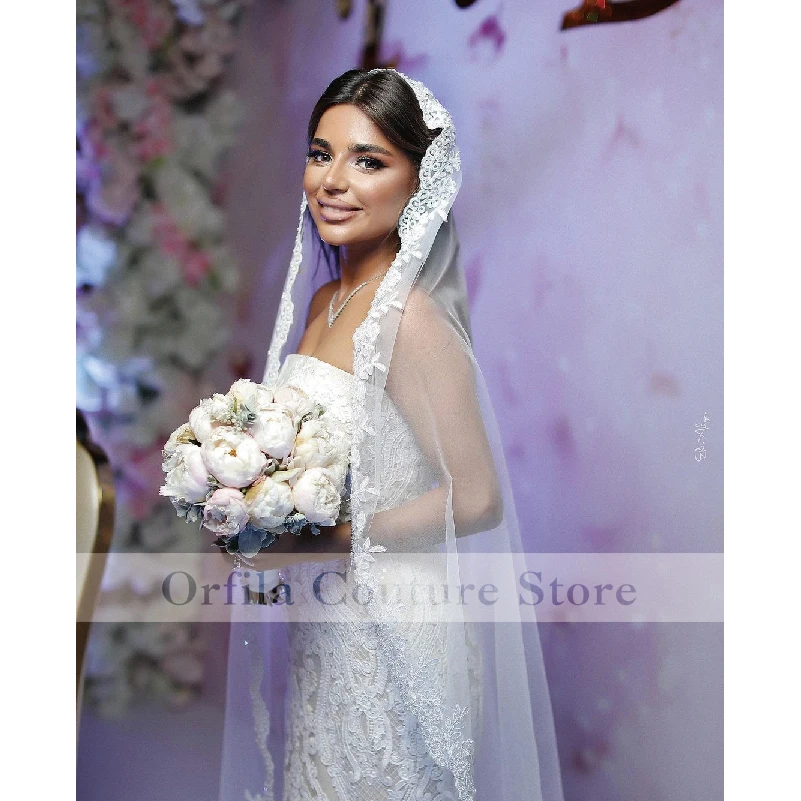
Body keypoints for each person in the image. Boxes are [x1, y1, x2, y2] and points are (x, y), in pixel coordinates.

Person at [218, 68, 565, 801]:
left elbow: (476, 499)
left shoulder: (407, 318)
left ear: (418, 185)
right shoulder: (325, 299)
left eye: (368, 161)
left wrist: (333, 536)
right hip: (328, 631)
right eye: (321, 154)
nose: (333, 181)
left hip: (397, 638)